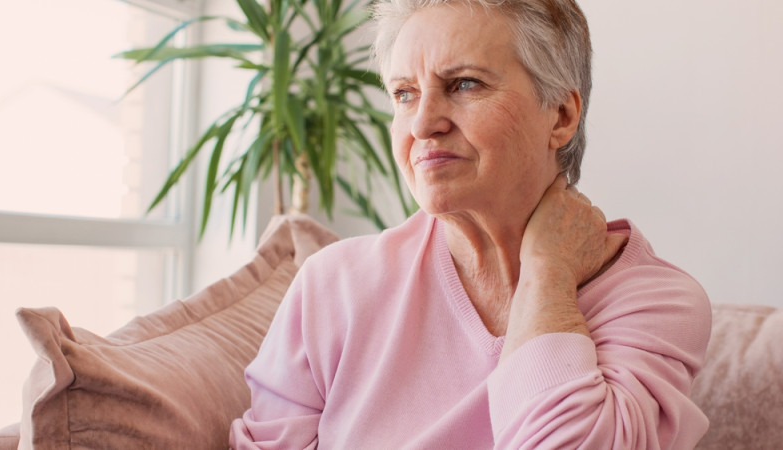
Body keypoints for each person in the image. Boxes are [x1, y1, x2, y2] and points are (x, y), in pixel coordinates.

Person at [230, 0, 711, 448]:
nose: (422, 124)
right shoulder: (331, 286)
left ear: (561, 116)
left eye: (464, 84)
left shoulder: (655, 304)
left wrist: (547, 275)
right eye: (404, 94)